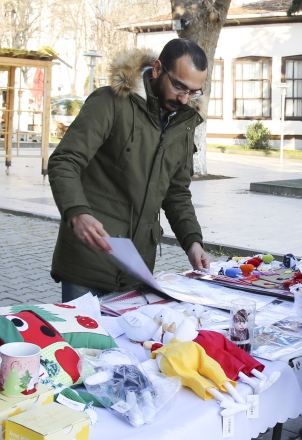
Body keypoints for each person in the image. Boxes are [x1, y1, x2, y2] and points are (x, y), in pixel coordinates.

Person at [48, 40, 211, 302]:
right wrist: (77, 213)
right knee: (83, 343)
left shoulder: (184, 123)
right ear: (157, 69)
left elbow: (177, 193)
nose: (183, 99)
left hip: (137, 268)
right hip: (89, 262)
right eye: (179, 86)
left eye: (193, 91)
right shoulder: (111, 102)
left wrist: (192, 241)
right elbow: (64, 160)